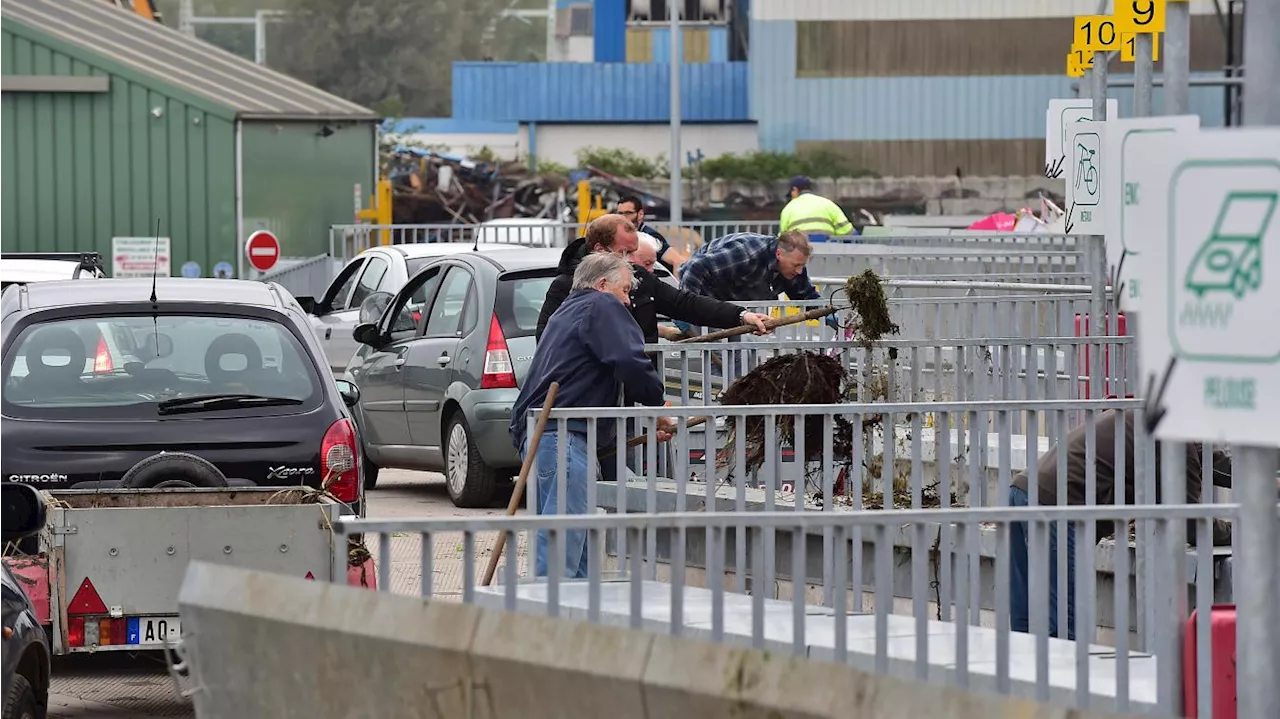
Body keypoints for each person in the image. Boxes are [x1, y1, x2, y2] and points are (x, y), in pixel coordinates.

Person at [1008, 408, 1233, 640]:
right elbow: (1191, 521)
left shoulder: (1150, 419)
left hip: (1022, 490)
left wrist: (1265, 479)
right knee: (1068, 624)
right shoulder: (1175, 443)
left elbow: (1207, 461)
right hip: (1060, 507)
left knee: (1024, 614)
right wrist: (1240, 530)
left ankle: (1021, 671)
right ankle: (1069, 674)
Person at [511, 254, 671, 579]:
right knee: (562, 547)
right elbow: (629, 360)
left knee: (576, 550)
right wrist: (658, 405)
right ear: (602, 285)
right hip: (563, 434)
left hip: (548, 434)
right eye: (625, 290)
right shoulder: (601, 306)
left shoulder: (568, 310)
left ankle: (576, 621)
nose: (628, 300)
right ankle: (550, 622)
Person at [536, 214, 771, 373]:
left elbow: (685, 303)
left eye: (633, 252)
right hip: (591, 403)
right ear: (600, 249)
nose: (631, 261)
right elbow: (547, 342)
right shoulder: (566, 287)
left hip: (640, 401)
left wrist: (741, 316)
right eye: (624, 252)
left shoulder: (639, 278)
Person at [615, 195, 688, 273]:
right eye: (620, 213)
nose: (622, 217)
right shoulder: (619, 235)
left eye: (628, 213)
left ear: (640, 214)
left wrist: (677, 284)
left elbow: (677, 260)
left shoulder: (650, 236)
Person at [779, 176, 855, 239]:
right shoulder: (828, 204)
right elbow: (847, 232)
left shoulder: (788, 209)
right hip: (828, 252)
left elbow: (783, 238)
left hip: (800, 253)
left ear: (795, 190)